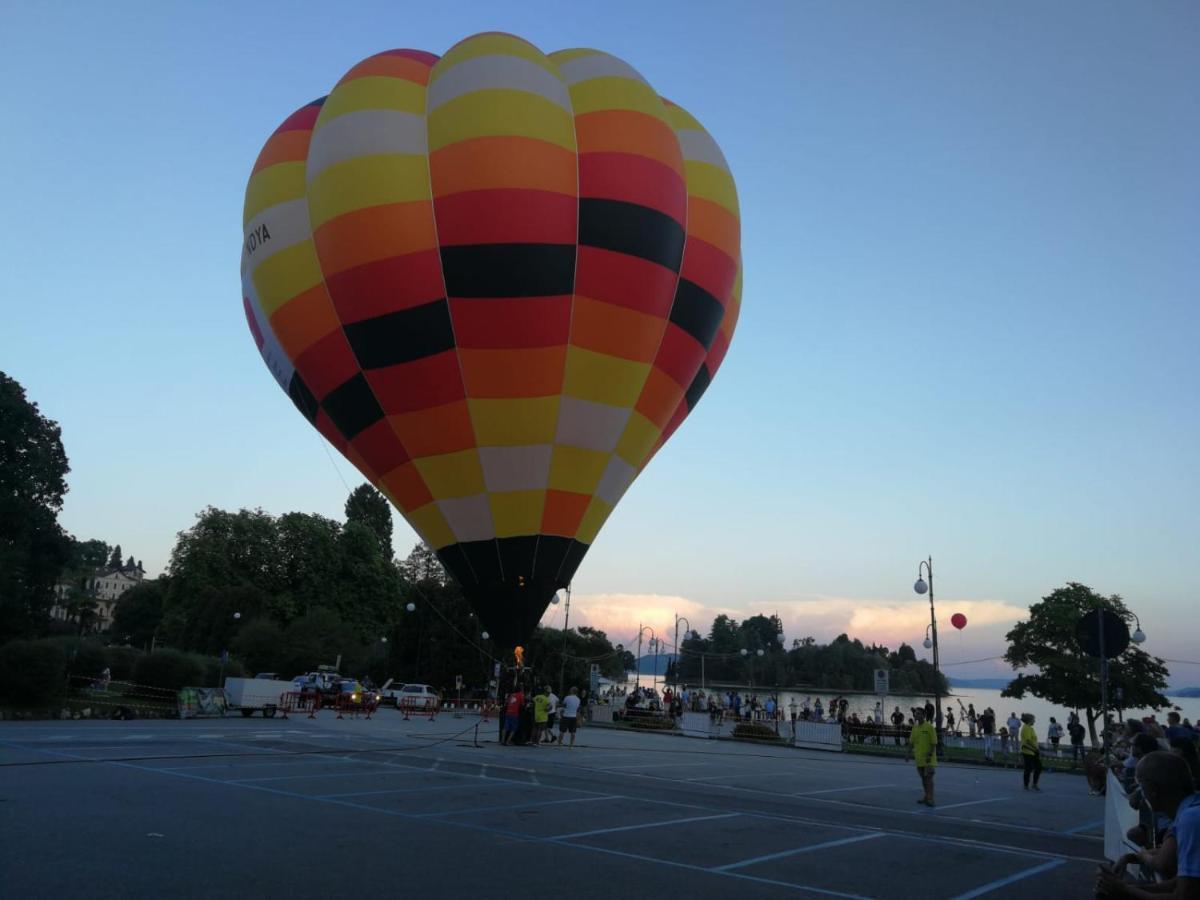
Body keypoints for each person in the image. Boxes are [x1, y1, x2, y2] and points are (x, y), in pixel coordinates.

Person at [1096, 751, 1199, 898]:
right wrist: (1123, 885)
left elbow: (1183, 896)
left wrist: (1123, 889)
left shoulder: (1191, 820)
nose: (1140, 792)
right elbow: (1179, 884)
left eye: (1140, 786)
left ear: (1153, 789)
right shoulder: (1191, 810)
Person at [908, 708, 937, 806]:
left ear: (924, 715)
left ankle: (931, 799)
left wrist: (929, 755)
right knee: (923, 779)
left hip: (929, 759)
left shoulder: (929, 727)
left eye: (919, 714)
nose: (917, 715)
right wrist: (908, 754)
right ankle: (926, 796)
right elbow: (911, 742)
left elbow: (934, 743)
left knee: (928, 778)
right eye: (916, 714)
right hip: (919, 758)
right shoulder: (915, 727)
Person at [1019, 713, 1042, 791]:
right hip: (1028, 751)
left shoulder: (1030, 728)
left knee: (1038, 767)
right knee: (1028, 768)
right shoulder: (1026, 728)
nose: (1034, 721)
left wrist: (1038, 748)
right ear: (1029, 720)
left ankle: (1034, 784)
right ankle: (1026, 785)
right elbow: (1028, 741)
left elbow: (1033, 740)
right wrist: (1035, 749)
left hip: (1033, 751)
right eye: (1033, 720)